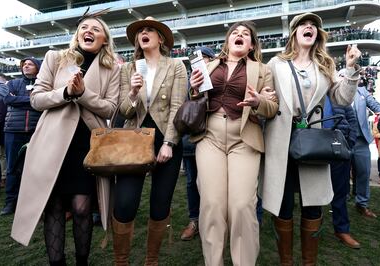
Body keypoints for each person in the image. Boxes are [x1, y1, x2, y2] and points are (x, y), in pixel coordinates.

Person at [11, 13, 120, 265]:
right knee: (55, 207)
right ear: (78, 34)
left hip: (87, 145)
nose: (88, 30)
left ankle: (82, 262)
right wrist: (66, 93)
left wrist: (82, 94)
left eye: (95, 28)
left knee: (82, 208)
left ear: (104, 40)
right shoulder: (55, 58)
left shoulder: (111, 67)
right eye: (84, 27)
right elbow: (37, 99)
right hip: (52, 142)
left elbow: (110, 108)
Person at [262, 12, 362, 265]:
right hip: (281, 141)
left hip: (314, 142)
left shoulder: (325, 65)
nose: (310, 28)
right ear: (295, 32)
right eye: (304, 25)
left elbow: (342, 99)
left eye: (314, 26)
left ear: (317, 35)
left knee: (313, 204)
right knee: (283, 203)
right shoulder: (275, 64)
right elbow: (267, 98)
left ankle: (309, 262)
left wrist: (350, 68)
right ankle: (286, 261)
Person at [189, 21, 279, 265]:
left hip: (244, 140)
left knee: (242, 205)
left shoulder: (262, 70)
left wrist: (259, 101)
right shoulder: (208, 65)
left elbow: (272, 109)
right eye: (235, 33)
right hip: (210, 138)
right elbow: (195, 98)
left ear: (251, 45)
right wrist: (195, 89)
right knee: (212, 204)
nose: (239, 36)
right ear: (227, 41)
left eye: (245, 34)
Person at [113, 17, 187, 265]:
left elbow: (177, 107)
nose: (143, 33)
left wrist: (169, 143)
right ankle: (121, 260)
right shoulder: (127, 69)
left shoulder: (176, 65)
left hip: (166, 142)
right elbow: (124, 111)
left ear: (161, 39)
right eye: (140, 31)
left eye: (149, 30)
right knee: (124, 203)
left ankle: (151, 260)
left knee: (160, 204)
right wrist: (133, 92)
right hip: (133, 141)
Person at [180, 46, 215, 241]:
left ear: (211, 59)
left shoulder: (220, 76)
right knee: (192, 182)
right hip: (191, 143)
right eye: (195, 59)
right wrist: (192, 88)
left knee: (213, 184)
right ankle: (195, 220)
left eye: (203, 59)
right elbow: (181, 108)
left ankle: (214, 221)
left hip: (215, 140)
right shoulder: (187, 79)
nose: (199, 63)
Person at [0, 57, 42, 215]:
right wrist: (33, 100)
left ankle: (33, 202)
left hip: (36, 130)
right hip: (13, 130)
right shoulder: (13, 83)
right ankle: (11, 201)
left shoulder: (43, 84)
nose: (26, 66)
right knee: (12, 168)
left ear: (38, 67)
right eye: (24, 64)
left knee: (35, 168)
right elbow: (8, 99)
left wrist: (25, 100)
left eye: (30, 64)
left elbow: (44, 102)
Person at [324, 96, 361, 249]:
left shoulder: (338, 94)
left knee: (340, 191)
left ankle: (342, 230)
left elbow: (352, 121)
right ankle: (312, 226)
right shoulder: (309, 88)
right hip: (313, 146)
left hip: (339, 148)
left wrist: (349, 143)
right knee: (312, 191)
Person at [351, 84, 380, 218]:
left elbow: (374, 104)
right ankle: (337, 203)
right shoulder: (334, 89)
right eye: (342, 75)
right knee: (339, 174)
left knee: (364, 172)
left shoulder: (361, 91)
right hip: (340, 139)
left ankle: (361, 204)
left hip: (360, 140)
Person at [0, 73, 8, 194]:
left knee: (2, 154)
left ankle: (3, 177)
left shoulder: (2, 89)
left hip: (2, 128)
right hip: (4, 128)